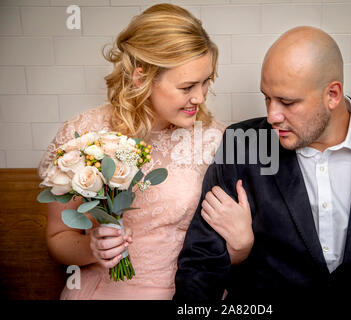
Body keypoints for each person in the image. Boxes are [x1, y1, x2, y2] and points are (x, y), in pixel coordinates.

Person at [174, 26, 351, 302]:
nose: (272, 116)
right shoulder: (242, 146)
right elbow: (201, 264)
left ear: (332, 95)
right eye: (267, 98)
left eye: (287, 102)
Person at [38, 3, 250, 300]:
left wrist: (243, 245)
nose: (200, 97)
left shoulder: (218, 141)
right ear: (142, 78)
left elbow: (227, 253)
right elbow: (58, 236)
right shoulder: (84, 134)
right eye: (187, 86)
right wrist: (91, 249)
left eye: (206, 82)